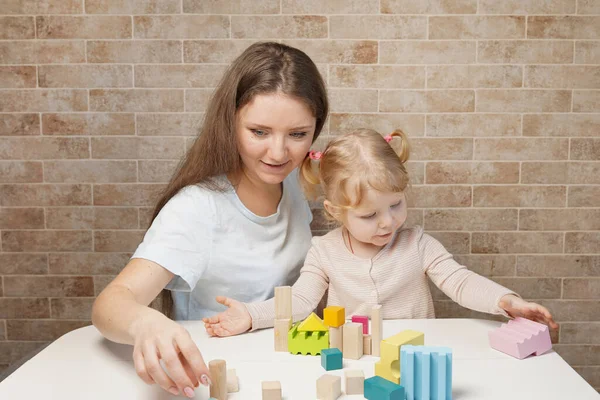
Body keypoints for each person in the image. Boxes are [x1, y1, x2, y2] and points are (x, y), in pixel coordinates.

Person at [91, 42, 329, 398]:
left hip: (286, 368)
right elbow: (110, 303)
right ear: (229, 123)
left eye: (297, 134)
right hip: (222, 379)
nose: (279, 153)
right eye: (259, 132)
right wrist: (146, 323)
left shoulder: (292, 180)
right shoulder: (198, 207)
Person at [203, 128, 559, 337]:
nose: (388, 222)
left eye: (396, 205)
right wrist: (250, 316)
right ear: (335, 212)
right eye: (369, 215)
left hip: (414, 359)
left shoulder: (418, 245)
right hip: (350, 361)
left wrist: (506, 302)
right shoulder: (324, 252)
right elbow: (300, 302)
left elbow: (460, 281)